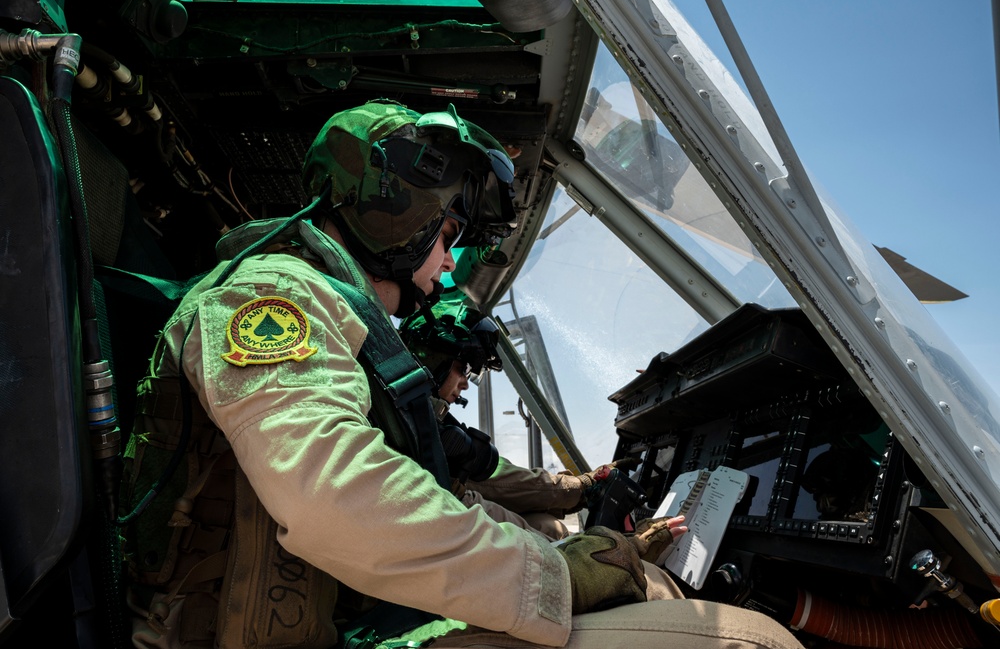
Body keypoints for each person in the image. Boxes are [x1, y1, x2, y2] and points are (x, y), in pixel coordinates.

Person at [120, 99, 807, 649]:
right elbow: (332, 493)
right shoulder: (271, 297)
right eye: (447, 236)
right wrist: (554, 573)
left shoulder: (325, 308)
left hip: (334, 622)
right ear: (395, 210)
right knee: (746, 640)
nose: (449, 265)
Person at [397, 291, 628, 541]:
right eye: (463, 369)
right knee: (550, 532)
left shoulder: (419, 419)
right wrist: (582, 494)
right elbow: (483, 487)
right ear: (435, 361)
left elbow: (494, 478)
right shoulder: (420, 433)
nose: (465, 384)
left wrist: (580, 488)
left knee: (548, 525)